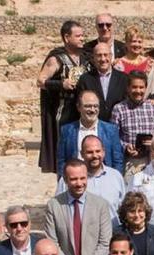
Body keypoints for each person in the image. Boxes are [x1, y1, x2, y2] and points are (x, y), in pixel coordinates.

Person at [37, 20, 90, 173]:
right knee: (65, 152)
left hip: (83, 112)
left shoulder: (86, 57)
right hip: (64, 112)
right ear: (67, 37)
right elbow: (40, 81)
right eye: (78, 36)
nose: (82, 39)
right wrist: (61, 84)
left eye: (82, 35)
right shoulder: (57, 59)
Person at [46, 158, 113, 255]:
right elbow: (52, 243)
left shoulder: (101, 205)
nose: (79, 183)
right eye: (73, 179)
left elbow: (105, 243)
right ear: (65, 180)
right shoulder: (54, 205)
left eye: (82, 178)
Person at [56, 135, 126, 222]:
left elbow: (124, 208)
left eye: (98, 151)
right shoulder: (68, 179)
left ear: (103, 152)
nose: (95, 155)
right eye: (89, 152)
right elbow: (58, 209)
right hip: (80, 233)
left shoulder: (116, 177)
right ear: (82, 154)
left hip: (112, 232)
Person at [111, 71, 154, 177]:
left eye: (141, 87)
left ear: (146, 88)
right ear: (128, 88)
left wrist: (153, 141)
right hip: (129, 162)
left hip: (151, 160)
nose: (138, 91)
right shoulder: (119, 109)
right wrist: (126, 147)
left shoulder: (152, 106)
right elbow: (113, 138)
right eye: (134, 87)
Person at [57, 91, 124, 175]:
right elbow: (61, 161)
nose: (92, 110)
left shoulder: (111, 130)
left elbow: (117, 161)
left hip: (103, 180)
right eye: (88, 106)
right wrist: (63, 181)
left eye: (95, 106)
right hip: (77, 182)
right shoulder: (67, 131)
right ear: (78, 107)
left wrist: (115, 181)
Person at [76, 42, 130, 122]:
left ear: (111, 56)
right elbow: (80, 104)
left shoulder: (124, 78)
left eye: (106, 55)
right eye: (99, 55)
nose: (103, 59)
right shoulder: (85, 79)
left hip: (117, 126)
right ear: (93, 58)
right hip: (93, 126)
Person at [113, 26, 154, 95]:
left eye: (139, 42)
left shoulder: (149, 63)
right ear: (126, 43)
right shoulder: (119, 65)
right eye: (133, 41)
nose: (137, 44)